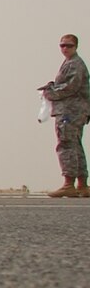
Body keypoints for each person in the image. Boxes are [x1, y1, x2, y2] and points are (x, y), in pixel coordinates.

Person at [39, 33, 87, 197]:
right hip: (74, 111)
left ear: (76, 47)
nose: (65, 48)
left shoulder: (75, 64)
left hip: (70, 111)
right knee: (75, 145)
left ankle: (69, 183)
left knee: (66, 144)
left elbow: (70, 87)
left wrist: (50, 93)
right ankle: (82, 184)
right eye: (62, 45)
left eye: (69, 45)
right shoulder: (69, 63)